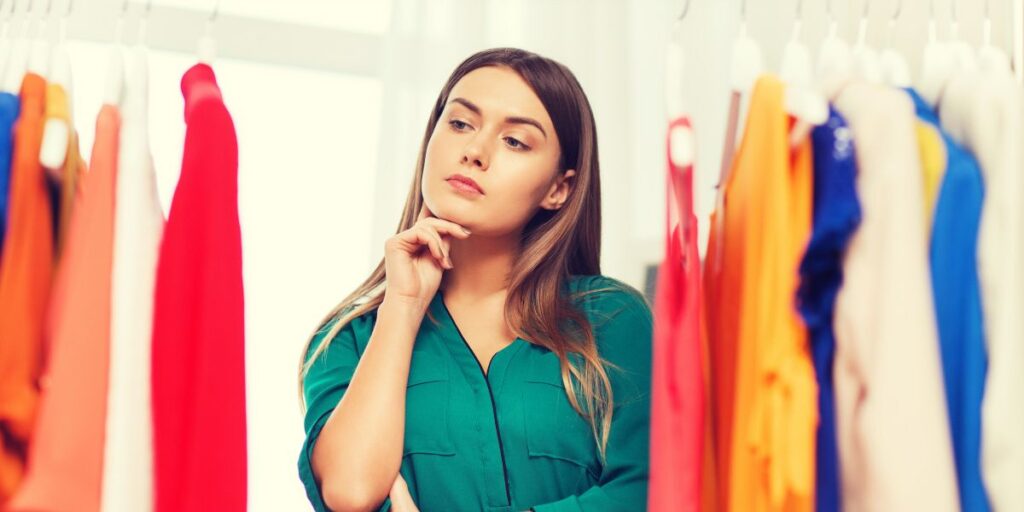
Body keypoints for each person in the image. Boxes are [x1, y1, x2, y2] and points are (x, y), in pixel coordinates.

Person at [297, 47, 652, 512]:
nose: (475, 152)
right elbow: (350, 492)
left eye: (515, 142)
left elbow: (650, 491)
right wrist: (402, 307)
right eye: (461, 124)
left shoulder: (611, 320)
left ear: (558, 188)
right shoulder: (349, 339)